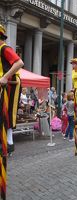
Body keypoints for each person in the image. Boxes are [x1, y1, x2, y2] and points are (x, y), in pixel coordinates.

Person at [0, 24, 24, 153]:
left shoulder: (4, 48)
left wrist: (5, 77)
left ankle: (9, 141)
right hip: (3, 84)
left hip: (11, 83)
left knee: (8, 110)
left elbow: (19, 63)